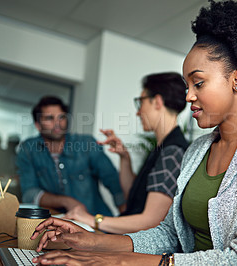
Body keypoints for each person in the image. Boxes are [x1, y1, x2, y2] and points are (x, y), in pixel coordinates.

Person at [30, 1, 237, 265]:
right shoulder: (197, 150)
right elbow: (168, 235)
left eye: (198, 83)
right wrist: (92, 242)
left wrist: (117, 260)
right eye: (187, 85)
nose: (188, 96)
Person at [64, 72, 189, 234]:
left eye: (141, 102)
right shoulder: (163, 147)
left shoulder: (172, 152)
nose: (138, 112)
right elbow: (134, 198)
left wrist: (92, 219)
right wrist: (125, 158)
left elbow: (150, 221)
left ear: (157, 102)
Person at [16, 96, 125, 216]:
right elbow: (29, 193)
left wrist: (125, 214)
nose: (57, 123)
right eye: (49, 118)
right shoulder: (28, 149)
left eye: (61, 117)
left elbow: (112, 179)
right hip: (55, 223)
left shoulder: (87, 144)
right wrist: (65, 201)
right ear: (38, 125)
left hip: (95, 221)